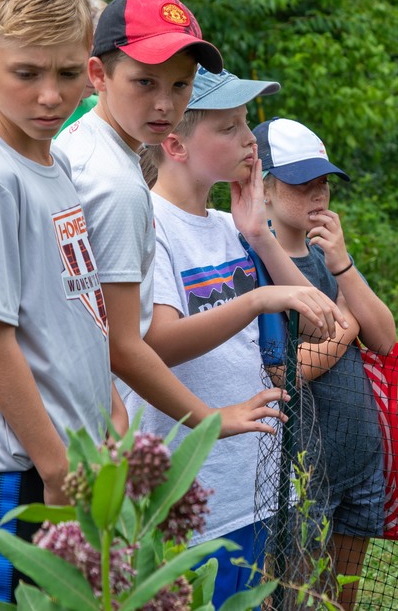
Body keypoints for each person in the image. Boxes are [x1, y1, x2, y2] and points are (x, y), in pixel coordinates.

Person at [55, 0, 335, 441]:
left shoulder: (81, 151)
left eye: (180, 85)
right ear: (98, 75)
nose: (165, 103)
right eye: (145, 82)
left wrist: (260, 239)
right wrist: (209, 420)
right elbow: (124, 346)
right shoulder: (117, 185)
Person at [136, 67, 344, 605]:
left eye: (246, 124)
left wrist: (259, 235)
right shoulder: (149, 224)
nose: (250, 141)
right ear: (176, 143)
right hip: (189, 489)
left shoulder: (234, 228)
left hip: (254, 481)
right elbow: (157, 342)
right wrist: (256, 297)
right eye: (228, 128)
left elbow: (322, 319)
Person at [0, 0, 122, 602]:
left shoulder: (58, 167)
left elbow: (77, 307)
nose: (51, 95)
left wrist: (113, 403)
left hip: (79, 455)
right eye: (25, 73)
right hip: (24, 472)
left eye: (69, 72)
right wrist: (53, 465)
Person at [257, 117, 398, 609]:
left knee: (342, 599)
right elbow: (285, 373)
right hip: (297, 472)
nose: (318, 194)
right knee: (297, 598)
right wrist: (345, 329)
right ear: (264, 188)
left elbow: (383, 336)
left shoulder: (325, 256)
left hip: (358, 458)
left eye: (323, 182)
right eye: (302, 183)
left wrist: (342, 263)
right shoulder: (254, 265)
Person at [56, 0, 106, 135]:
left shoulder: (104, 110)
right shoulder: (36, 113)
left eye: (103, 58)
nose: (96, 72)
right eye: (86, 58)